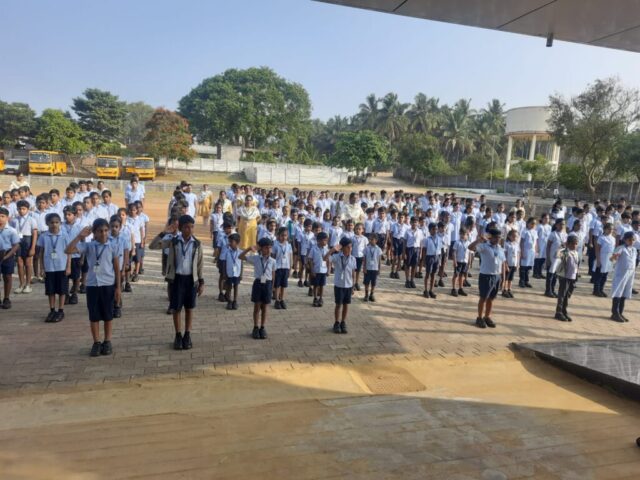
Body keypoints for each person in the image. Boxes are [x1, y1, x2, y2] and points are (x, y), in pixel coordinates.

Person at [65, 219, 121, 357]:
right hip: (92, 285)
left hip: (108, 284)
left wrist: (118, 288)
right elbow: (68, 250)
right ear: (94, 233)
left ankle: (107, 341)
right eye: (100, 231)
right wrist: (79, 236)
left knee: (108, 315)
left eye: (106, 230)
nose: (103, 234)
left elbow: (116, 268)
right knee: (94, 315)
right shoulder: (89, 246)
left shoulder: (112, 246)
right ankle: (96, 342)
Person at [149, 215, 204, 350]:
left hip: (191, 280)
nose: (189, 230)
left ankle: (187, 335)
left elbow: (200, 264)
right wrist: (164, 233)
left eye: (192, 227)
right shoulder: (173, 241)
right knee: (177, 308)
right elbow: (152, 246)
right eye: (186, 227)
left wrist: (201, 282)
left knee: (189, 308)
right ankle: (178, 335)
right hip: (177, 279)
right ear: (180, 228)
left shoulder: (197, 244)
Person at [469, 228, 506, 329]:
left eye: (499, 237)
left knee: (491, 298)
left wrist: (503, 277)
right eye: (496, 237)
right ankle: (479, 317)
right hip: (486, 275)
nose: (498, 239)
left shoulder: (500, 248)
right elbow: (470, 248)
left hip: (496, 276)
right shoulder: (484, 246)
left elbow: (503, 263)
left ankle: (487, 316)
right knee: (483, 298)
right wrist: (478, 240)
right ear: (491, 237)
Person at [240, 237, 276, 339]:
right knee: (257, 306)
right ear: (261, 248)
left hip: (267, 284)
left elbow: (273, 275)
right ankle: (255, 327)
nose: (268, 250)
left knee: (265, 307)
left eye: (270, 247)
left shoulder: (273, 261)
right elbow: (240, 256)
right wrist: (249, 249)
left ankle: (262, 327)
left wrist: (272, 288)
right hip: (258, 283)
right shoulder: (256, 258)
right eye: (266, 248)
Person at [37, 213, 71, 322]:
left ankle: (61, 310)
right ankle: (52, 310)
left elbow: (69, 252)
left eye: (57, 222)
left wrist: (68, 266)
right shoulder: (44, 236)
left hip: (62, 266)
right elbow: (41, 253)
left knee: (62, 290)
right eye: (51, 222)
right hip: (49, 267)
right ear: (47, 223)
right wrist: (42, 268)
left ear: (60, 223)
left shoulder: (64, 235)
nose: (54, 225)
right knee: (50, 290)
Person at [325, 237, 357, 334]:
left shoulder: (353, 259)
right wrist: (333, 250)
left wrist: (353, 286)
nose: (350, 249)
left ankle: (343, 322)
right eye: (348, 247)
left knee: (346, 305)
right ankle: (336, 322)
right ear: (342, 247)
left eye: (351, 247)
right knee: (338, 304)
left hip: (348, 285)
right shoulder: (337, 257)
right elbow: (325, 258)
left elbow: (353, 273)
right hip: (339, 285)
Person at [610, 231, 639, 322]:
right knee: (618, 292)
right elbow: (612, 258)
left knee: (625, 293)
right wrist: (614, 257)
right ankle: (615, 313)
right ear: (625, 240)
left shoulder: (634, 250)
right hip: (621, 274)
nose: (631, 241)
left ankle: (620, 312)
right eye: (629, 240)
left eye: (633, 240)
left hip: (630, 274)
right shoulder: (621, 248)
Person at [12, 200, 38, 294]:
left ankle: (28, 284)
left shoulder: (31, 220)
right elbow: (12, 233)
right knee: (19, 264)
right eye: (19, 209)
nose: (21, 210)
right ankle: (21, 284)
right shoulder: (15, 220)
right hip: (18, 241)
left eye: (23, 209)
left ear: (28, 209)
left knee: (27, 264)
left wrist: (33, 247)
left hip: (28, 241)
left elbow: (34, 234)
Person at [553, 235, 580, 322]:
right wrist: (562, 246)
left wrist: (576, 276)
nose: (575, 245)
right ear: (568, 244)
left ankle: (564, 311)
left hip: (572, 277)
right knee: (562, 295)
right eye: (573, 244)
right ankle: (558, 312)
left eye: (576, 244)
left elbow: (576, 265)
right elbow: (556, 255)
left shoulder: (576, 253)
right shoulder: (565, 252)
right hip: (564, 276)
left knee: (567, 295)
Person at [0, 207, 20, 309]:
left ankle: (6, 298)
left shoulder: (11, 230)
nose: (0, 218)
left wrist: (7, 256)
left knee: (7, 276)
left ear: (7, 218)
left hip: (8, 254)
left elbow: (16, 245)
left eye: (2, 216)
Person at [308, 231, 329, 307]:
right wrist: (312, 270)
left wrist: (328, 269)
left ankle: (321, 298)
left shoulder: (326, 249)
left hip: (323, 270)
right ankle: (315, 298)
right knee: (315, 285)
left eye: (326, 240)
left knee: (322, 285)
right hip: (316, 270)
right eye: (324, 240)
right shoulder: (313, 249)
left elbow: (328, 260)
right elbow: (310, 260)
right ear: (318, 240)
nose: (325, 242)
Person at [594, 223, 615, 297]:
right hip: (602, 257)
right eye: (609, 229)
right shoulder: (601, 238)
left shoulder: (613, 238)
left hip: (609, 258)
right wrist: (598, 260)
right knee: (599, 275)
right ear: (605, 229)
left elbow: (613, 249)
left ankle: (601, 289)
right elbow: (597, 249)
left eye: (612, 229)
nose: (610, 230)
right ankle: (596, 290)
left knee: (605, 275)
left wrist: (613, 259)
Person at [273, 226, 292, 310]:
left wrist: (290, 268)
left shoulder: (289, 245)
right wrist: (273, 268)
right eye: (282, 235)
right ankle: (277, 300)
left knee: (284, 285)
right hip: (278, 268)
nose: (284, 237)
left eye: (285, 235)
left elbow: (290, 257)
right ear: (278, 235)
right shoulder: (275, 245)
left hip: (286, 267)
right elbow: (273, 257)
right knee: (277, 285)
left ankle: (282, 299)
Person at [421, 222, 442, 299]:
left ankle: (431, 290)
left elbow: (440, 250)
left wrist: (439, 260)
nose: (435, 231)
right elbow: (424, 250)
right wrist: (423, 260)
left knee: (433, 274)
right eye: (433, 229)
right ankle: (426, 290)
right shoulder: (427, 239)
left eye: (436, 229)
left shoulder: (439, 239)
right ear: (429, 230)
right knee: (428, 274)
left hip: (436, 257)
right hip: (429, 257)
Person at [224, 233, 242, 310]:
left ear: (237, 242)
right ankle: (229, 301)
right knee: (229, 287)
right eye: (229, 241)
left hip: (237, 273)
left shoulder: (240, 252)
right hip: (229, 272)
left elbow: (241, 264)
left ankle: (235, 301)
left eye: (231, 242)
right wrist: (224, 273)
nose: (230, 243)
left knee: (236, 286)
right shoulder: (227, 251)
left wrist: (241, 274)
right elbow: (225, 262)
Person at [451, 228, 471, 297]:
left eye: (464, 234)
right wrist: (454, 261)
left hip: (465, 261)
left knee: (462, 275)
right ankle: (454, 289)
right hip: (458, 261)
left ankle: (460, 288)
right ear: (459, 234)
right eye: (461, 234)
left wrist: (469, 262)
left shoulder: (468, 243)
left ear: (467, 235)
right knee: (456, 275)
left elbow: (469, 253)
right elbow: (454, 252)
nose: (462, 235)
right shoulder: (457, 242)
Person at [363, 233, 382, 302]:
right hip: (368, 268)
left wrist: (379, 269)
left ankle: (372, 294)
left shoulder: (378, 249)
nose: (370, 241)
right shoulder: (366, 248)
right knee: (366, 282)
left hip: (375, 268)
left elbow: (379, 260)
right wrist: (364, 268)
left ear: (376, 240)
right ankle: (366, 295)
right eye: (370, 239)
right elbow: (364, 259)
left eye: (372, 239)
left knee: (373, 283)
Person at [502, 229, 520, 298]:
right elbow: (505, 254)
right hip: (508, 263)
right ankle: (504, 290)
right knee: (506, 278)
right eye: (513, 236)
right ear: (509, 236)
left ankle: (509, 289)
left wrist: (517, 264)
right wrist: (506, 264)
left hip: (514, 263)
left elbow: (517, 254)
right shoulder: (506, 244)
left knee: (511, 278)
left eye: (516, 236)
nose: (515, 238)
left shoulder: (516, 244)